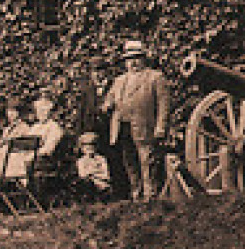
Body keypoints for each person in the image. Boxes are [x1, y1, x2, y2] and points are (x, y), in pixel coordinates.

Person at [101, 39, 172, 202]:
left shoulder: (155, 78)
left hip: (145, 126)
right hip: (123, 127)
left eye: (136, 58)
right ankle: (136, 192)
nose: (132, 62)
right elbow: (110, 99)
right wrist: (107, 105)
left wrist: (161, 127)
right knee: (129, 161)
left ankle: (150, 195)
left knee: (147, 160)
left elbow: (164, 105)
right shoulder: (119, 81)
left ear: (143, 59)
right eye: (128, 59)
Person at [72, 131, 113, 202]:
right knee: (86, 183)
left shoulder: (101, 159)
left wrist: (94, 174)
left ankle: (103, 197)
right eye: (87, 148)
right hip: (90, 182)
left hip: (101, 181)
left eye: (92, 147)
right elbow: (82, 174)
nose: (90, 150)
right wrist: (93, 174)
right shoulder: (81, 161)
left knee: (104, 187)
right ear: (82, 149)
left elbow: (106, 174)